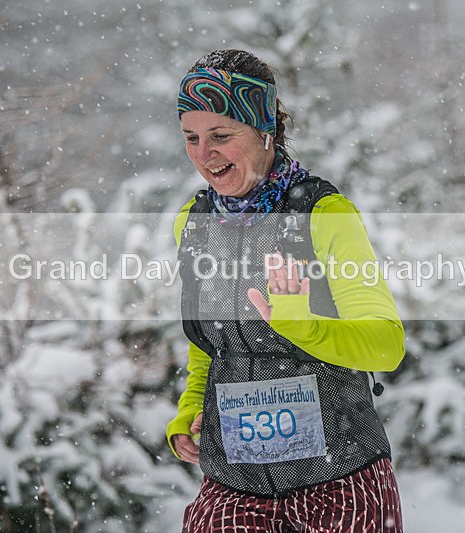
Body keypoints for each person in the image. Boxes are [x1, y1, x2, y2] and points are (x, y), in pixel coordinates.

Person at [167, 49, 405, 533]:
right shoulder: (193, 225)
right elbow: (209, 346)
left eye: (221, 136)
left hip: (340, 479)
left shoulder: (323, 214)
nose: (204, 153)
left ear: (264, 132)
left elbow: (387, 343)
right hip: (234, 485)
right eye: (191, 138)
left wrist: (304, 327)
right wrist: (190, 409)